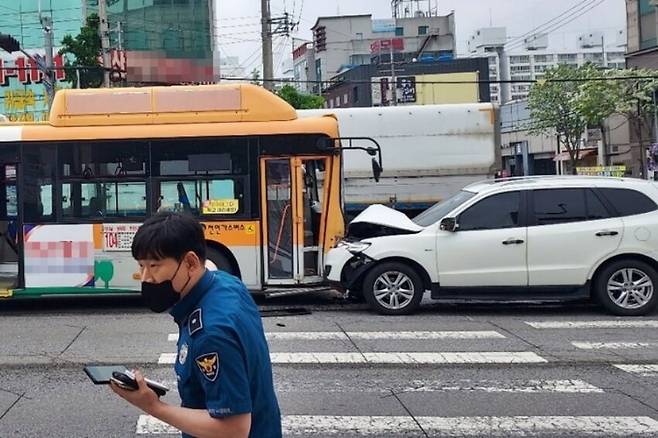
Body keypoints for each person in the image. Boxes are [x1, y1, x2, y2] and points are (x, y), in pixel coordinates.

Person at [111, 212, 282, 438]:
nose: (146, 277)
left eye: (154, 266)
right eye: (141, 266)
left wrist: (153, 406)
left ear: (190, 263)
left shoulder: (211, 334)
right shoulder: (225, 283)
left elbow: (234, 429)